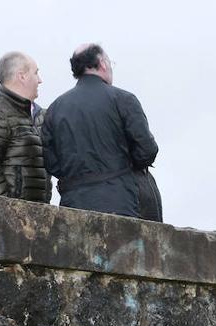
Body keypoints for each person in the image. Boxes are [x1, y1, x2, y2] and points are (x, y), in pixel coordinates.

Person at [41, 43, 159, 217]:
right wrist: (124, 167)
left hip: (72, 204)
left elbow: (51, 162)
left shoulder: (54, 109)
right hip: (120, 201)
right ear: (102, 63)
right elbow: (147, 150)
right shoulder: (123, 99)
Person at [0, 52, 52, 203]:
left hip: (39, 214)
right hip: (12, 218)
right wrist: (8, 211)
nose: (40, 80)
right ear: (22, 76)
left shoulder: (41, 115)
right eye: (36, 73)